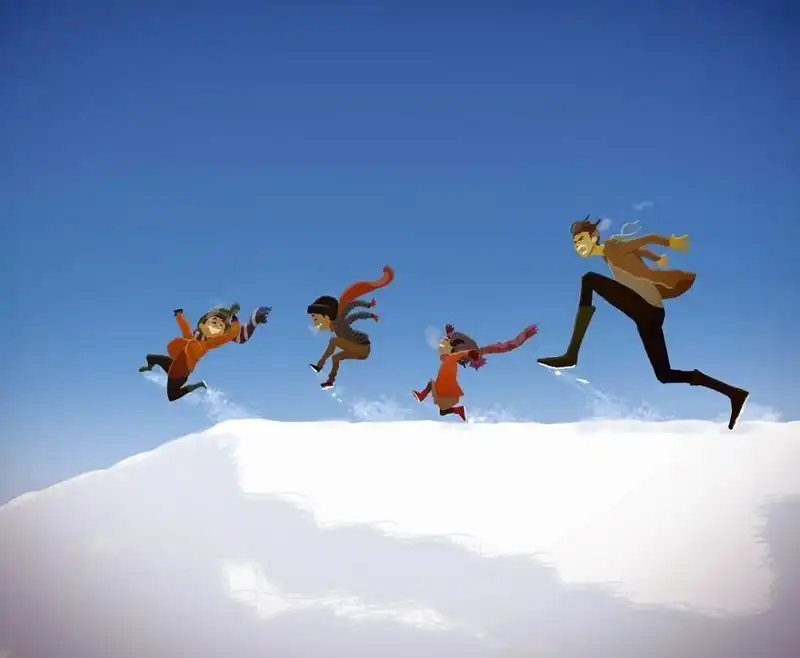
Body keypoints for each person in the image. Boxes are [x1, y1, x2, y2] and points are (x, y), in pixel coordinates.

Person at [537, 216, 749, 430]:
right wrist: (655, 258)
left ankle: (571, 354)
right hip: (647, 316)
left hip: (646, 308)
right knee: (664, 375)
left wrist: (672, 242)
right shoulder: (608, 255)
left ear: (594, 237)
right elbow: (639, 252)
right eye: (575, 243)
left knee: (589, 279)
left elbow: (646, 239)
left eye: (581, 239)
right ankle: (734, 394)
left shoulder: (612, 246)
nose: (578, 246)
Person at [412, 322, 539, 420]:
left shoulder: (462, 354)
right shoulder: (460, 353)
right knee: (442, 408)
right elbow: (505, 347)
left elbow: (505, 346)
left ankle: (431, 399)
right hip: (454, 359)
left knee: (435, 390)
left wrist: (522, 338)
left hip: (451, 375)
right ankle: (457, 409)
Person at [307, 266, 395, 389]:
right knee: (336, 358)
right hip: (357, 351)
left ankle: (319, 366)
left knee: (334, 341)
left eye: (316, 319)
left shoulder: (341, 318)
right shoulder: (335, 325)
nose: (316, 324)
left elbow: (354, 308)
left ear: (326, 315)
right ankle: (330, 381)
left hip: (362, 347)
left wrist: (369, 308)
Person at [139, 305, 241, 402]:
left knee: (172, 396)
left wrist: (234, 319)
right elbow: (185, 327)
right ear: (202, 324)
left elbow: (229, 336)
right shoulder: (191, 337)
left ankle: (197, 385)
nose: (214, 327)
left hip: (179, 375)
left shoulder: (207, 345)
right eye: (213, 322)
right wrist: (179, 315)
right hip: (173, 364)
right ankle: (149, 367)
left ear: (220, 333)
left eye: (220, 326)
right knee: (150, 357)